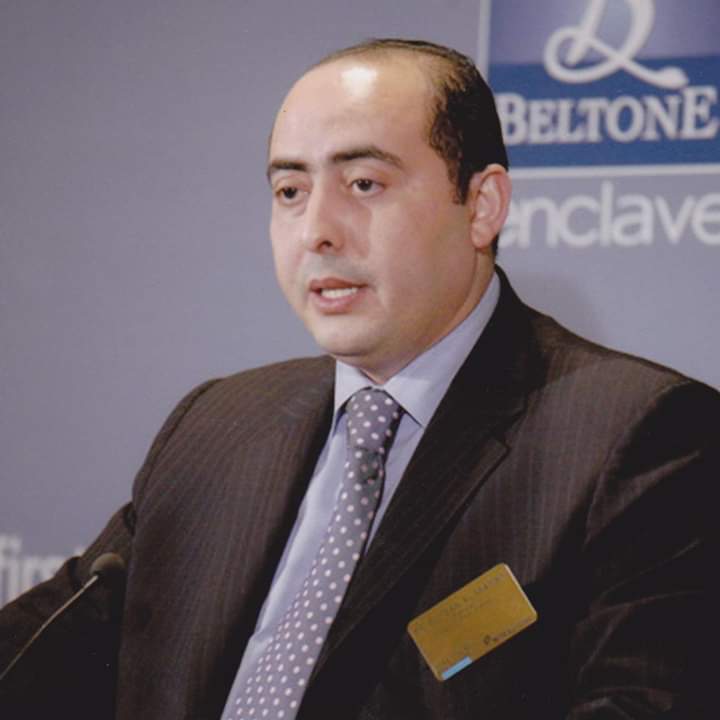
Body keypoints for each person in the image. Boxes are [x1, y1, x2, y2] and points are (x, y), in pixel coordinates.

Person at [0, 38, 717, 720]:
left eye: (364, 183)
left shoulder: (643, 441)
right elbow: (41, 659)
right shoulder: (215, 427)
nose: (316, 229)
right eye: (289, 190)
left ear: (483, 206)